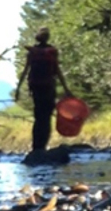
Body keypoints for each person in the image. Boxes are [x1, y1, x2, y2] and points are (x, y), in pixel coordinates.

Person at [14, 27, 72, 155]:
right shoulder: (52, 52)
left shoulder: (32, 52)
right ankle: (43, 146)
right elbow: (57, 71)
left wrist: (18, 89)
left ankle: (36, 146)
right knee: (46, 117)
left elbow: (25, 71)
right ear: (48, 38)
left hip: (35, 88)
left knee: (38, 117)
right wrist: (66, 89)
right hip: (48, 87)